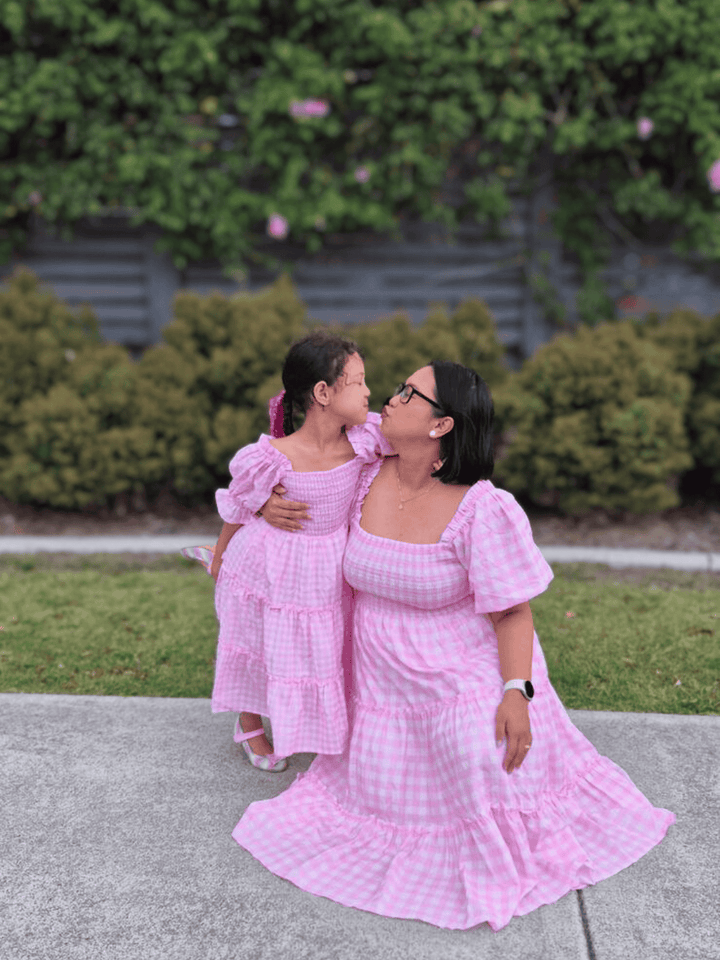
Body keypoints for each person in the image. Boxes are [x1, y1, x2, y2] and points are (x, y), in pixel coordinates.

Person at [231, 360, 676, 931]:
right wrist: (264, 502)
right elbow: (298, 457)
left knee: (482, 764)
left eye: (408, 393)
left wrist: (516, 692)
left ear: (441, 424)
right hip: (380, 682)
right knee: (379, 797)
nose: (390, 398)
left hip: (461, 667)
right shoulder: (365, 468)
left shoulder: (481, 508)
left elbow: (512, 611)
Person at [192, 331, 393, 772]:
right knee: (258, 642)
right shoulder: (272, 457)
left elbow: (409, 444)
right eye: (358, 382)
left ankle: (315, 724)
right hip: (271, 567)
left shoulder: (364, 441)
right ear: (323, 393)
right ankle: (249, 723)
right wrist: (223, 557)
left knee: (318, 649)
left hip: (327, 569)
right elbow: (238, 505)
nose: (368, 392)